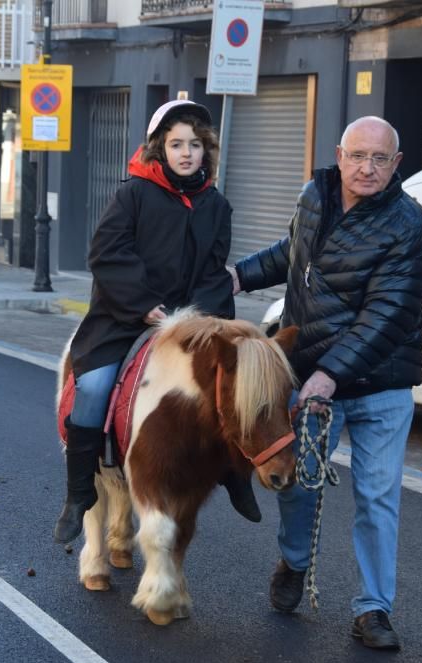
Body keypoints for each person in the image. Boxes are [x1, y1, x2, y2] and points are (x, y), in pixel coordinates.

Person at [226, 116, 422, 651]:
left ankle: (373, 610)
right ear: (339, 155)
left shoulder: (410, 225)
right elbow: (292, 255)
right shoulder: (313, 198)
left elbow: (387, 314)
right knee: (296, 482)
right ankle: (294, 563)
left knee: (378, 496)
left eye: (380, 159)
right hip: (314, 377)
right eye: (358, 156)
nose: (367, 168)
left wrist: (327, 375)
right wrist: (236, 276)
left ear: (397, 164)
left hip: (380, 387)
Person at [53, 99, 259, 545]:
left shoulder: (217, 206)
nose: (187, 153)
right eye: (176, 144)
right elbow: (106, 255)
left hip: (190, 324)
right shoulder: (132, 195)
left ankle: (234, 474)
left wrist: (197, 320)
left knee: (228, 390)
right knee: (91, 389)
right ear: (159, 149)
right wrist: (144, 305)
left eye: (195, 145)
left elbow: (213, 272)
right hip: (124, 318)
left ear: (207, 151)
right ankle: (78, 494)